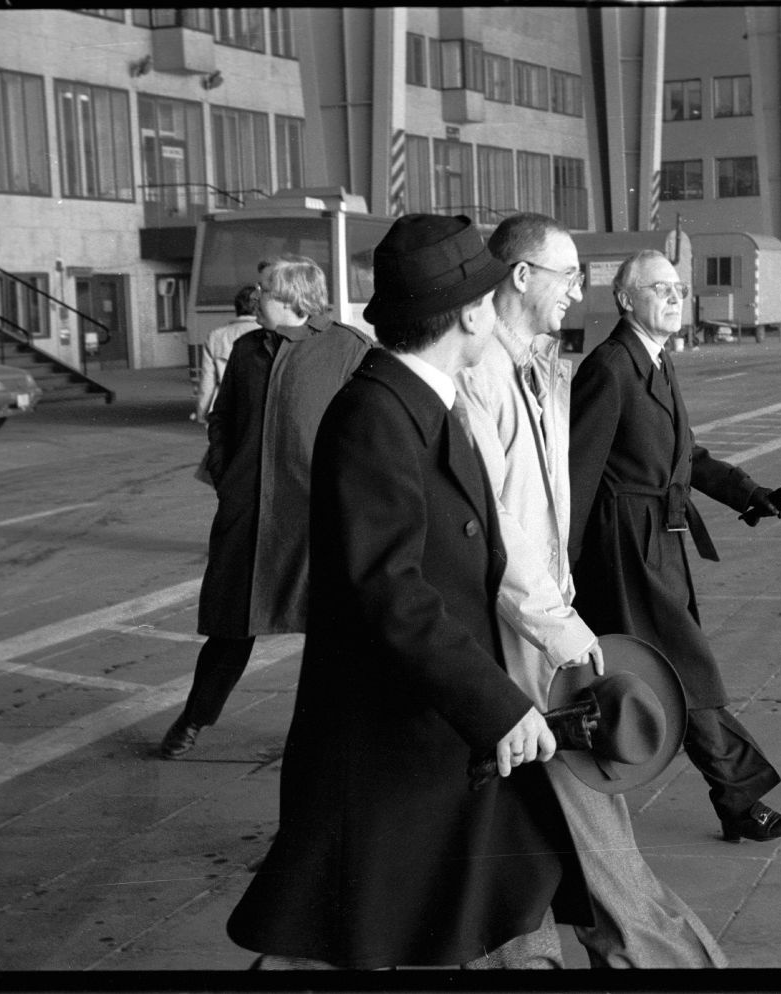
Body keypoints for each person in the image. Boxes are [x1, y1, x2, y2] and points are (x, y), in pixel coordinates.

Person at [225, 214, 590, 969]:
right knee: (357, 930)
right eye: (491, 298)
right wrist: (496, 704)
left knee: (458, 910)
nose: (499, 311)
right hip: (391, 735)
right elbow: (389, 590)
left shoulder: (426, 400)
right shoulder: (377, 415)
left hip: (433, 730)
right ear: (466, 314)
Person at [454, 213, 727, 968]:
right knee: (576, 825)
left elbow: (546, 507)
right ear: (520, 276)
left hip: (545, 630)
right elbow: (497, 525)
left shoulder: (544, 367)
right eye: (568, 275)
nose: (578, 291)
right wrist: (558, 620)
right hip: (519, 640)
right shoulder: (481, 377)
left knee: (550, 826)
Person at [569, 249, 781, 844]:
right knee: (682, 671)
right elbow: (577, 475)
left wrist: (748, 495)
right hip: (625, 548)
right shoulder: (611, 368)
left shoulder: (655, 362)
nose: (675, 297)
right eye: (659, 288)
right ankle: (738, 797)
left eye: (678, 287)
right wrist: (561, 570)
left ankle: (732, 797)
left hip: (659, 541)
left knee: (669, 673)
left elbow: (686, 457)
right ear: (626, 300)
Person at [160, 255, 371, 759]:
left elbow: (369, 430)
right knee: (232, 626)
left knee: (330, 634)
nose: (256, 300)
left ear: (296, 298)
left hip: (315, 518)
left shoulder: (348, 348)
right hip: (249, 513)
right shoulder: (247, 349)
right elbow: (223, 416)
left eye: (265, 293)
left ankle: (331, 735)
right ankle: (193, 718)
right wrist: (227, 473)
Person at [194, 283, 261, 425]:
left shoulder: (216, 336)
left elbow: (208, 381)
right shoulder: (268, 334)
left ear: (237, 308)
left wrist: (202, 411)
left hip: (225, 407)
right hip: (258, 406)